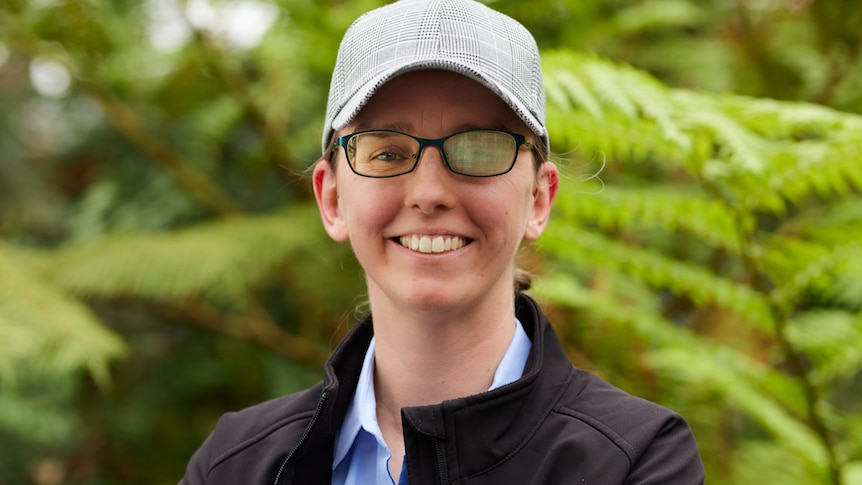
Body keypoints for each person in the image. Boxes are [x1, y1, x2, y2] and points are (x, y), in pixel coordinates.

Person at [181, 0, 705, 483]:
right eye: (386, 152)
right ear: (332, 199)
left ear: (539, 200)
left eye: (479, 149)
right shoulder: (235, 463)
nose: (429, 193)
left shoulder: (633, 460)